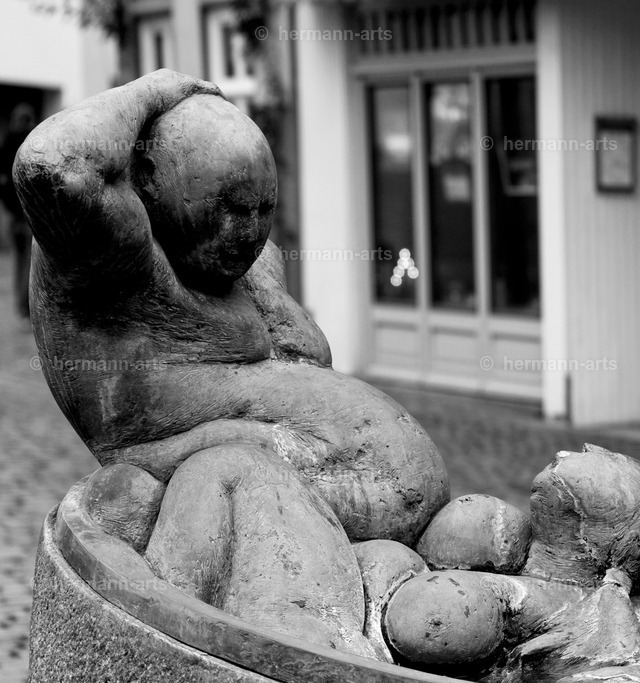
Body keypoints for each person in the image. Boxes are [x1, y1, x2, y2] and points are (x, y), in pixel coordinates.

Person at [14, 70, 449, 656]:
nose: (247, 231)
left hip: (355, 511)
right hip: (238, 482)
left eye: (261, 208)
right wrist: (158, 88)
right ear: (150, 181)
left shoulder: (236, 265)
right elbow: (51, 164)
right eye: (229, 208)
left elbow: (299, 357)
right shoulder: (110, 254)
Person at [0, 103, 36, 319]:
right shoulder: (28, 144)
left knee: (20, 260)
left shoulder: (7, 144)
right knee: (28, 262)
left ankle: (20, 305)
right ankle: (24, 307)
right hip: (26, 213)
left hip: (15, 214)